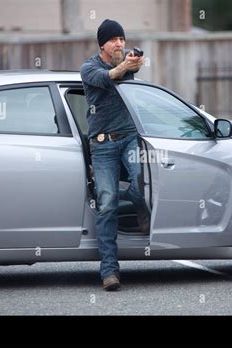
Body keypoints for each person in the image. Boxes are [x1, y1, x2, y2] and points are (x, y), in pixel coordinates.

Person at [80, 19, 150, 291]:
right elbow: (108, 77)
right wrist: (125, 67)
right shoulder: (89, 68)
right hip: (102, 146)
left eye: (122, 38)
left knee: (142, 184)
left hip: (130, 138)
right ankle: (110, 271)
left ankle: (141, 211)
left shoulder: (127, 68)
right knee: (107, 203)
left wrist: (135, 62)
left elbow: (126, 76)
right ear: (102, 44)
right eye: (114, 40)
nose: (120, 43)